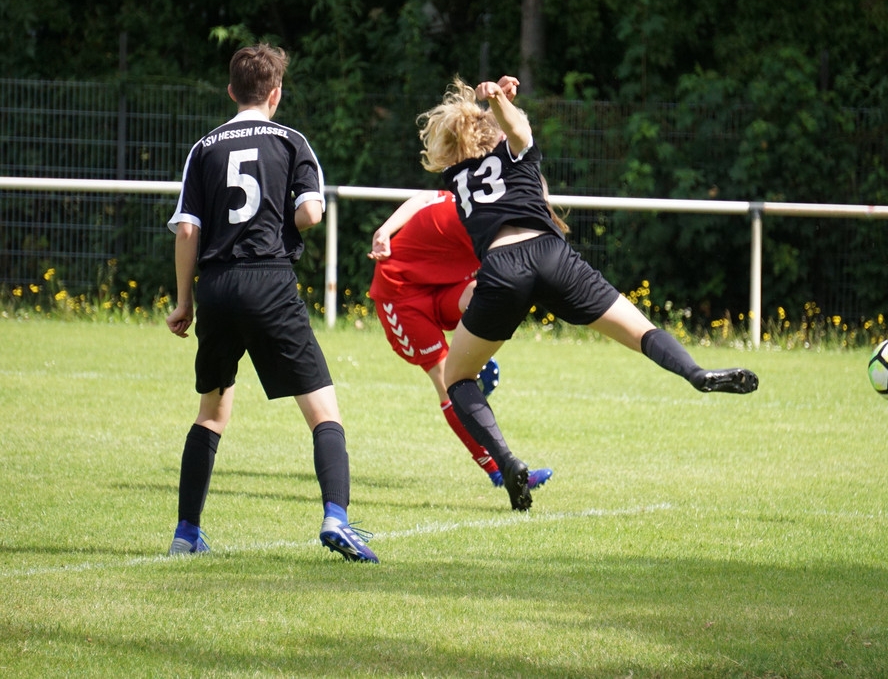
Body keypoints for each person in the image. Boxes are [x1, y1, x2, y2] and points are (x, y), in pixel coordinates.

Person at [417, 75, 759, 512]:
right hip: (550, 256)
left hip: (502, 270)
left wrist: (492, 108)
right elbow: (518, 130)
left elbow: (494, 140)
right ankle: (695, 373)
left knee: (457, 378)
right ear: (495, 134)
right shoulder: (514, 151)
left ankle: (508, 463)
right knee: (640, 330)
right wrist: (499, 99)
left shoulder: (456, 179)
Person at [164, 44, 378, 562]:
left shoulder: (204, 148)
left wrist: (184, 301)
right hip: (269, 281)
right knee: (323, 411)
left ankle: (186, 533)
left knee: (211, 413)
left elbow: (187, 230)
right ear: (276, 94)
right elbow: (310, 214)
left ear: (231, 91)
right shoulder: (291, 141)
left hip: (217, 286)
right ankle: (336, 517)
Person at [367, 189, 553, 490]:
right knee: (447, 382)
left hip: (438, 285)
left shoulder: (473, 198)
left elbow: (426, 198)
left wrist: (385, 230)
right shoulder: (484, 222)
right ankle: (500, 470)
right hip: (400, 296)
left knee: (484, 293)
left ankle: (471, 373)